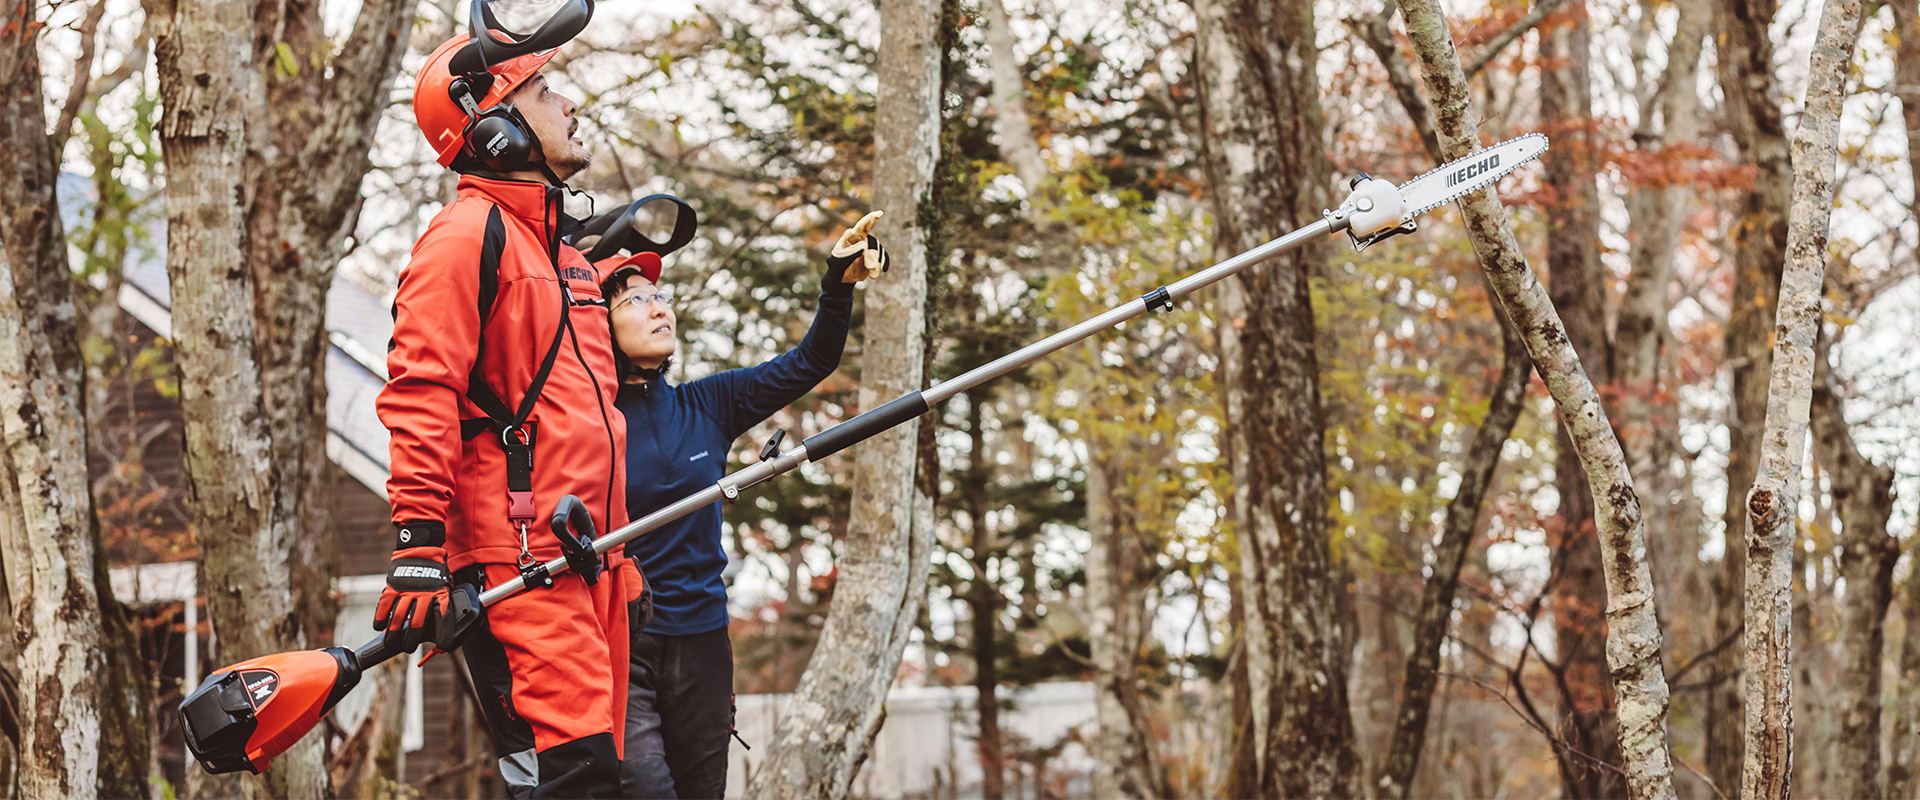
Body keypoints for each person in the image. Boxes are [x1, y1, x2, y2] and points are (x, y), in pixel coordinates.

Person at [377, 25, 651, 798]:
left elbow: (592, 424)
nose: (568, 103)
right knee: (573, 779)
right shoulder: (464, 237)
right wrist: (419, 543)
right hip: (517, 562)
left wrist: (620, 556)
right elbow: (421, 390)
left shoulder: (564, 257)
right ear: (494, 133)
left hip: (586, 557)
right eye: (542, 92)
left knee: (600, 776)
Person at [609, 211, 892, 798]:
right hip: (622, 640)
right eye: (635, 300)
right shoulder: (582, 421)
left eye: (661, 296)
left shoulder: (708, 404)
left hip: (703, 640)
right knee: (643, 786)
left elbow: (811, 362)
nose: (660, 308)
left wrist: (836, 283)